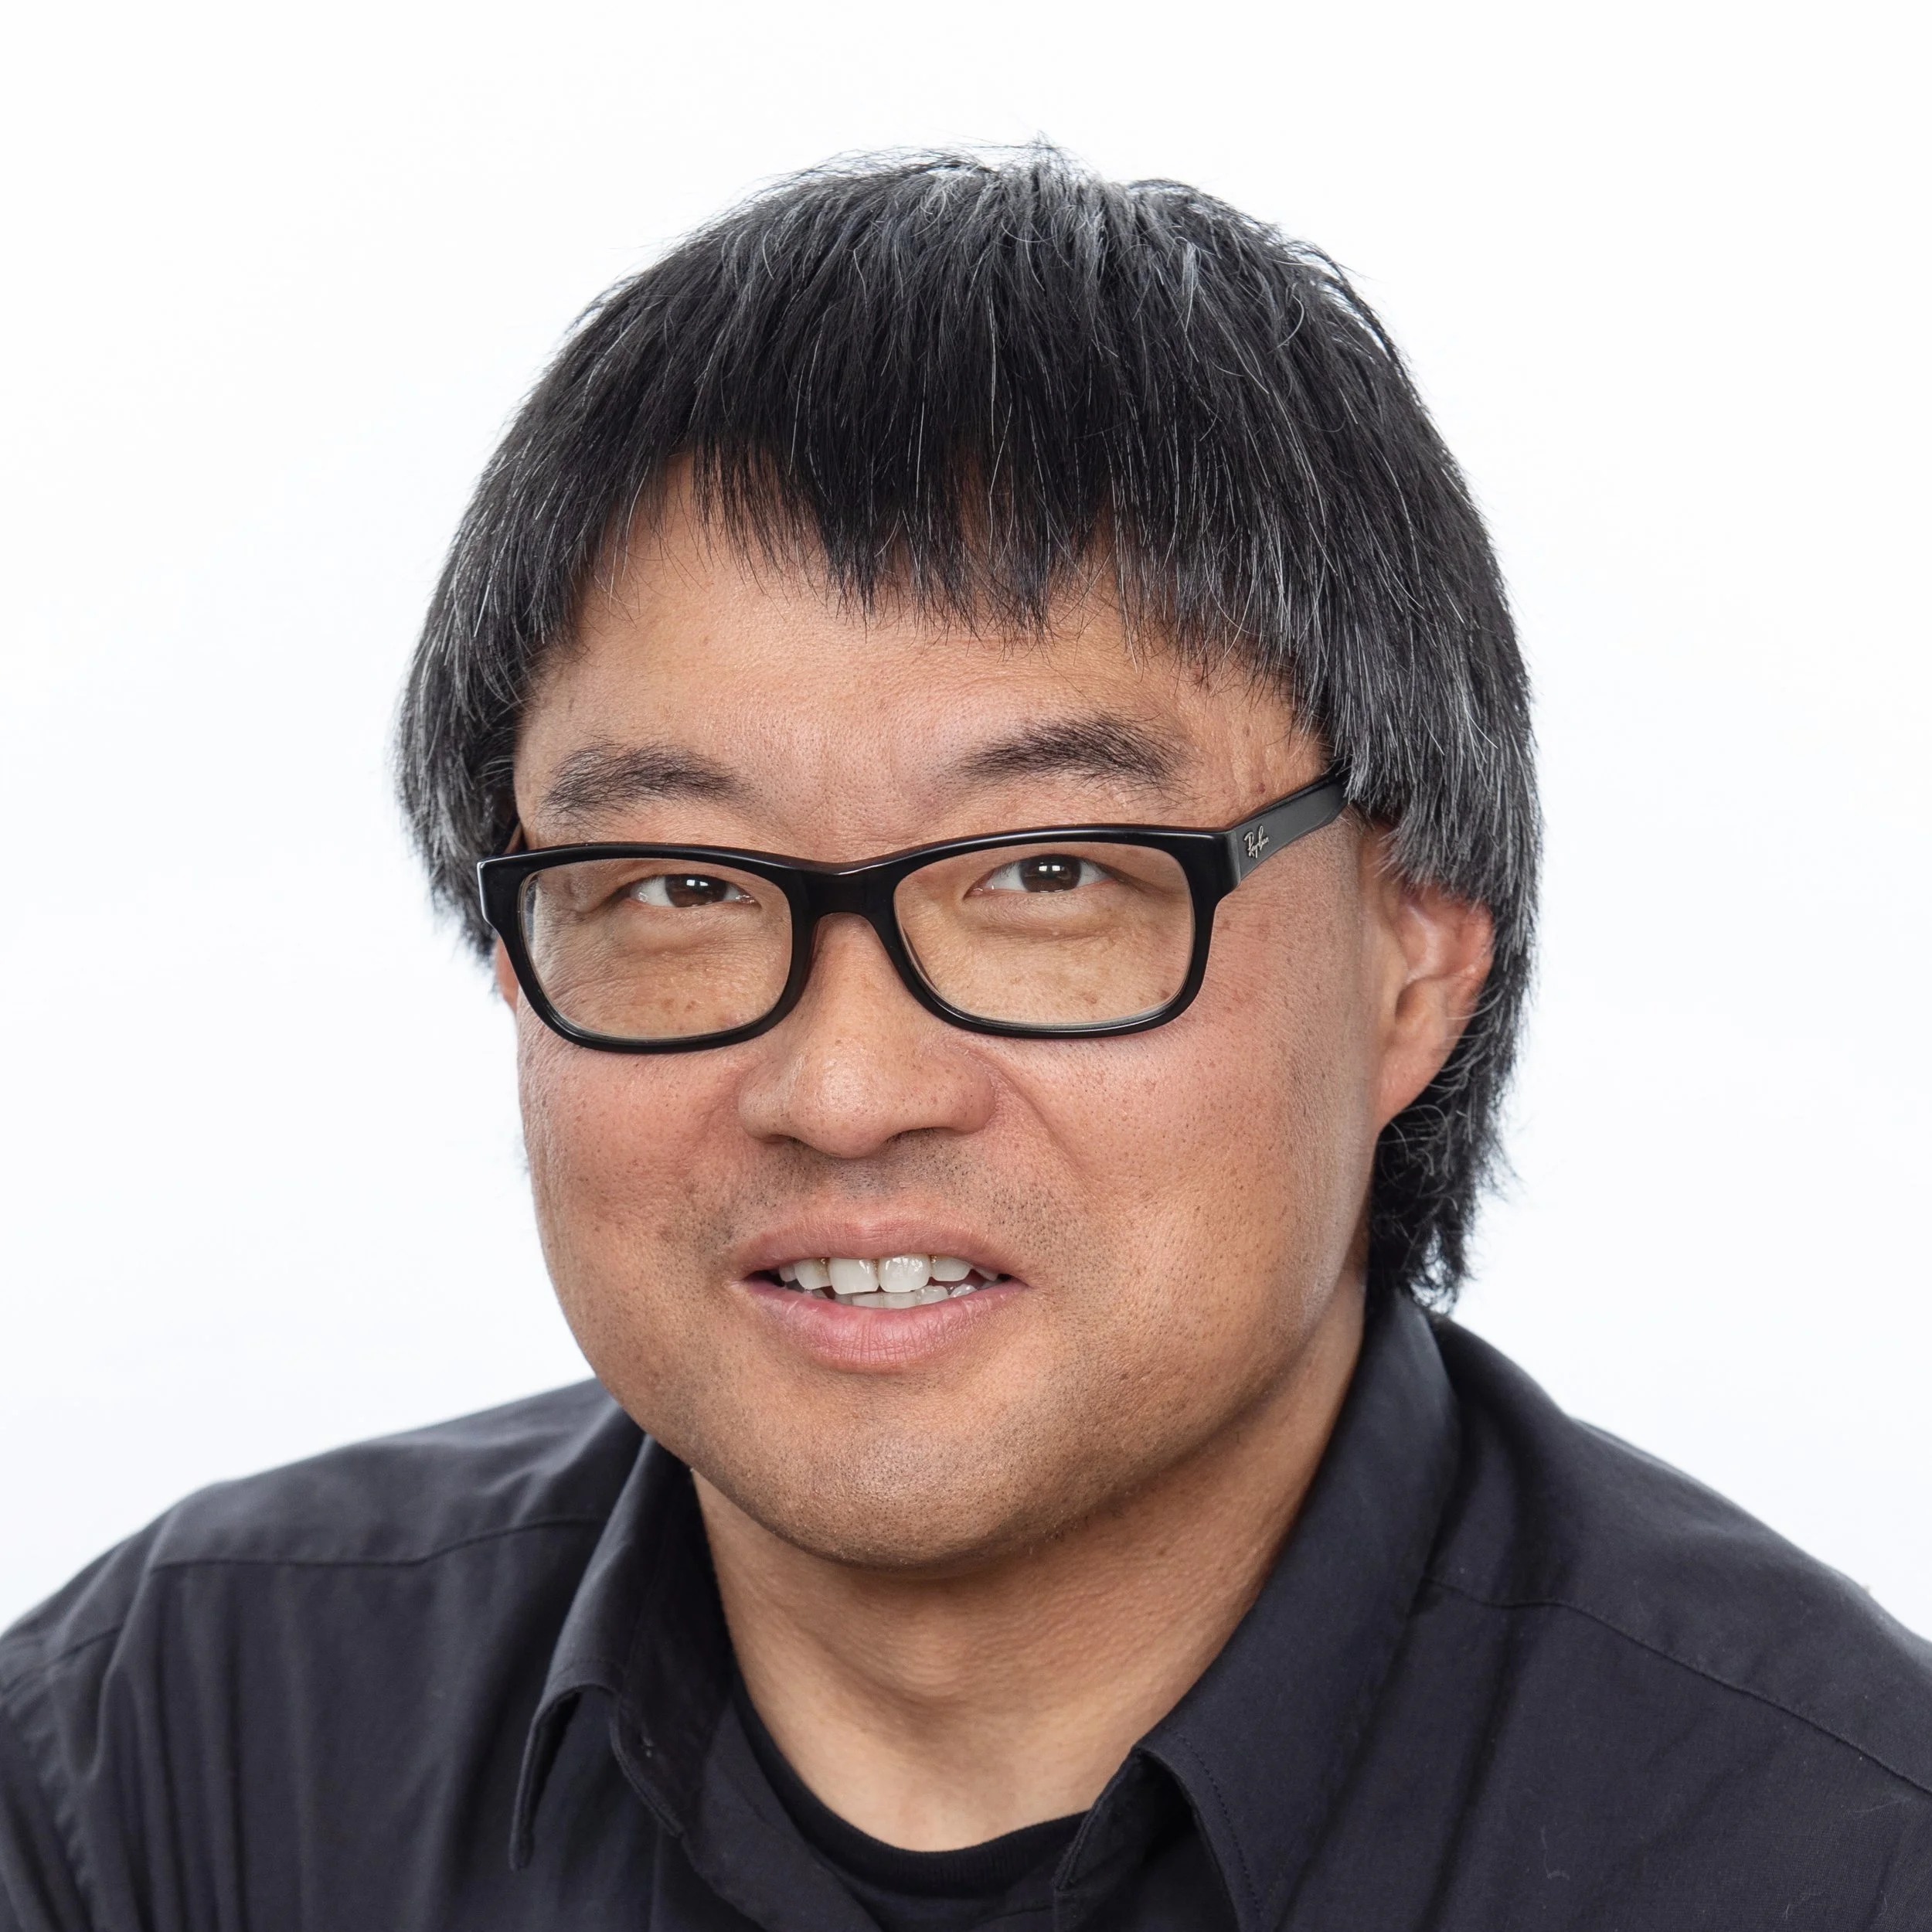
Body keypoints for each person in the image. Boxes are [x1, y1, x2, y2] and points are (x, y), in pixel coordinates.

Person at [2, 148, 1927, 1932]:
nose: (844, 1088)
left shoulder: (1827, 1856)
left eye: (1044, 874)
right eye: (676, 884)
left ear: (1411, 961)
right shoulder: (169, 1774)